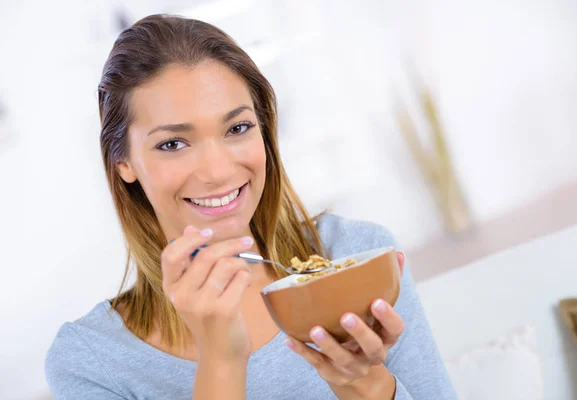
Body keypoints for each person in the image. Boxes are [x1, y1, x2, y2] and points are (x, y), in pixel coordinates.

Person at [45, 14, 457, 400]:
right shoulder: (91, 361)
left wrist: (365, 381)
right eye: (173, 143)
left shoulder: (355, 255)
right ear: (124, 163)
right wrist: (221, 360)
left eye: (237, 128)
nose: (218, 170)